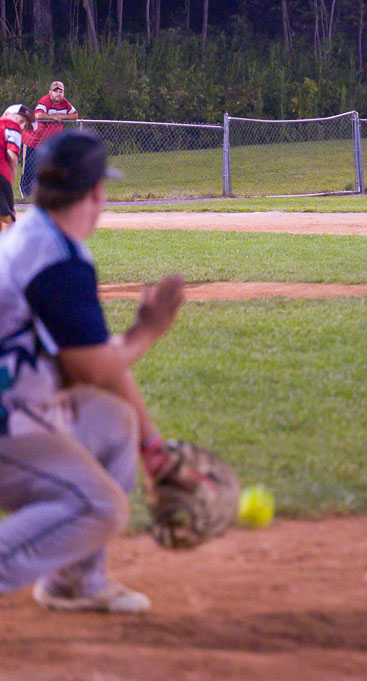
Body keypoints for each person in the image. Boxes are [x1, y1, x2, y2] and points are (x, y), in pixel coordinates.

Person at [0, 130, 185, 614]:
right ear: (96, 192)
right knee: (99, 507)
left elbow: (98, 365)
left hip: (19, 407)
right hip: (8, 420)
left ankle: (75, 581)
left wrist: (152, 448)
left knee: (111, 422)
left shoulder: (40, 239)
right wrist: (150, 330)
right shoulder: (55, 258)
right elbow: (90, 367)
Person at [21, 81, 78, 198]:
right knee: (29, 167)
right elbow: (38, 115)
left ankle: (40, 192)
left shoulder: (64, 103)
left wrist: (61, 117)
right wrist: (53, 117)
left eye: (60, 91)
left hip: (49, 142)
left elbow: (75, 115)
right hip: (32, 140)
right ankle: (25, 194)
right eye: (55, 91)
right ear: (50, 92)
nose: (58, 93)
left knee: (46, 167)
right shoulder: (45, 101)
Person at [1, 104, 36, 231]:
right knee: (8, 220)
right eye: (20, 121)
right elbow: (13, 160)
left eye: (25, 126)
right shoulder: (10, 126)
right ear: (6, 115)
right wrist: (8, 188)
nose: (21, 127)